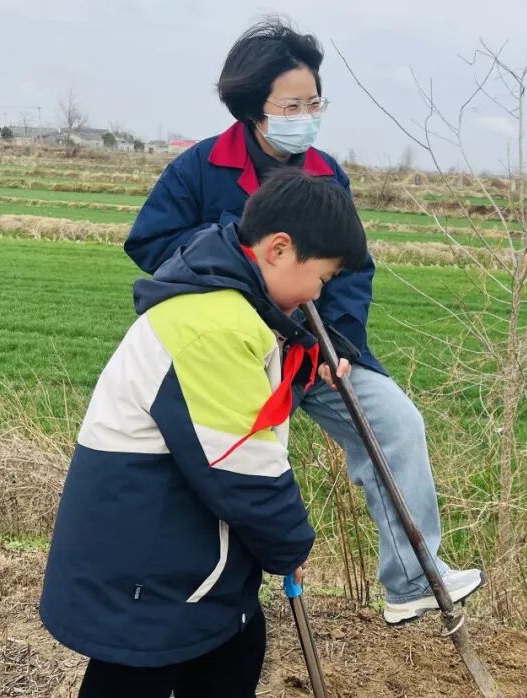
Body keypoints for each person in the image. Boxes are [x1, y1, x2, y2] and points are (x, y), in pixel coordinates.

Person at [123, 17, 483, 624]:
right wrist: (242, 252)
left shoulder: (326, 175)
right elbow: (151, 243)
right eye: (292, 103)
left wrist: (338, 344)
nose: (306, 114)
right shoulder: (199, 168)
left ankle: (413, 579)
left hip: (311, 350)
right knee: (219, 470)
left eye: (314, 101)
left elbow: (354, 267)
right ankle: (199, 598)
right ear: (253, 107)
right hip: (226, 357)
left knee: (394, 421)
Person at [41, 170, 367, 697]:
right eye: (324, 278)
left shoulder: (233, 307)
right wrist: (290, 546)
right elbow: (243, 468)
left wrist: (309, 363)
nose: (318, 294)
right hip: (148, 565)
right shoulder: (212, 325)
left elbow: (246, 403)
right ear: (279, 250)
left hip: (186, 552)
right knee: (136, 675)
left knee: (234, 652)